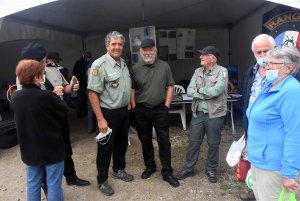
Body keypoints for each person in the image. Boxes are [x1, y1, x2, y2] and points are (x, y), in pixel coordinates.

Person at [18, 44, 90, 194]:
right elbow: (27, 101)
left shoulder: (52, 69)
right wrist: (52, 94)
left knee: (66, 149)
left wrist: (71, 87)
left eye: (45, 61)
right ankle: (46, 186)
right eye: (42, 61)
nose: (45, 63)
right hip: (42, 122)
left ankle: (71, 177)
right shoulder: (23, 76)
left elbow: (64, 88)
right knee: (45, 157)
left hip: (59, 116)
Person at [246, 46, 300, 200]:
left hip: (273, 164)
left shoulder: (291, 91)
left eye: (272, 64)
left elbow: (295, 133)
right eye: (267, 63)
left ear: (289, 67)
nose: (267, 67)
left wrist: (289, 173)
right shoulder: (270, 85)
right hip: (258, 159)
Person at [11, 60, 66, 201]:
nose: (43, 77)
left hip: (29, 149)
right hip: (51, 148)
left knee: (33, 184)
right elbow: (63, 111)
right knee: (53, 184)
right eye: (42, 74)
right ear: (36, 77)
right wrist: (55, 95)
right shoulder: (47, 96)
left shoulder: (15, 97)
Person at [87, 31, 133, 196]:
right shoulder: (99, 65)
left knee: (121, 144)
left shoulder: (123, 63)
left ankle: (118, 170)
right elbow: (93, 94)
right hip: (107, 113)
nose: (117, 47)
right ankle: (102, 180)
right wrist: (100, 119)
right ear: (107, 46)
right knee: (105, 148)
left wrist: (127, 104)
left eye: (120, 44)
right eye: (113, 44)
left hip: (123, 112)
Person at [130, 38, 179, 187]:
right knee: (145, 141)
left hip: (160, 109)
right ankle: (150, 166)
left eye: (150, 49)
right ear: (141, 52)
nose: (148, 52)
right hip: (141, 110)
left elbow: (170, 86)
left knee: (164, 141)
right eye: (145, 49)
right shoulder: (135, 69)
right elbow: (132, 89)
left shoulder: (164, 66)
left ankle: (167, 172)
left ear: (155, 50)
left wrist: (166, 106)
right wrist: (134, 108)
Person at [176, 46, 228, 183]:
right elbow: (189, 91)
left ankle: (211, 169)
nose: (201, 57)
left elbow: (216, 91)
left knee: (213, 143)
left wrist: (199, 90)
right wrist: (205, 95)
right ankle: (188, 168)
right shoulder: (198, 71)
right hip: (198, 113)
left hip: (215, 114)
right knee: (193, 142)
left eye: (204, 55)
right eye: (201, 54)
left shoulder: (222, 71)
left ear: (213, 58)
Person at [240, 34, 276, 201]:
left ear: (274, 50)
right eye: (258, 52)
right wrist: (245, 129)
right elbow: (247, 100)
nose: (262, 56)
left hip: (272, 132)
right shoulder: (250, 72)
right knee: (254, 164)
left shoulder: (284, 73)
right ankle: (256, 192)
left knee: (270, 170)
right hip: (253, 130)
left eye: (266, 51)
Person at [73, 51, 92, 118]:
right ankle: (79, 113)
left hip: (88, 84)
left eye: (90, 57)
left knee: (87, 98)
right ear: (84, 56)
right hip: (80, 83)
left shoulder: (89, 63)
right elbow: (74, 73)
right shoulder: (79, 63)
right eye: (88, 56)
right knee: (80, 98)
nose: (89, 58)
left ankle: (85, 112)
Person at [86, 57, 99, 134]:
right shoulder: (98, 68)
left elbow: (86, 74)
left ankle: (90, 128)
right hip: (96, 89)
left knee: (90, 109)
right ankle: (98, 128)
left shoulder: (89, 68)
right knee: (98, 108)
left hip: (88, 88)